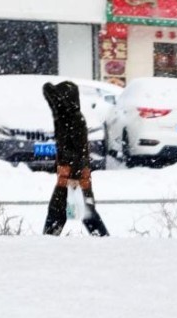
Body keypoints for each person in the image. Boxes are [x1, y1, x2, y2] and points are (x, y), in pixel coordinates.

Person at [42, 80, 109, 236]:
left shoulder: (75, 120)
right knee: (76, 211)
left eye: (61, 98)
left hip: (74, 174)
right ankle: (102, 238)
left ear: (66, 100)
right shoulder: (62, 117)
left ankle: (48, 239)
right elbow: (49, 95)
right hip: (67, 173)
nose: (57, 102)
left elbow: (81, 153)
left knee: (76, 212)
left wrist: (75, 177)